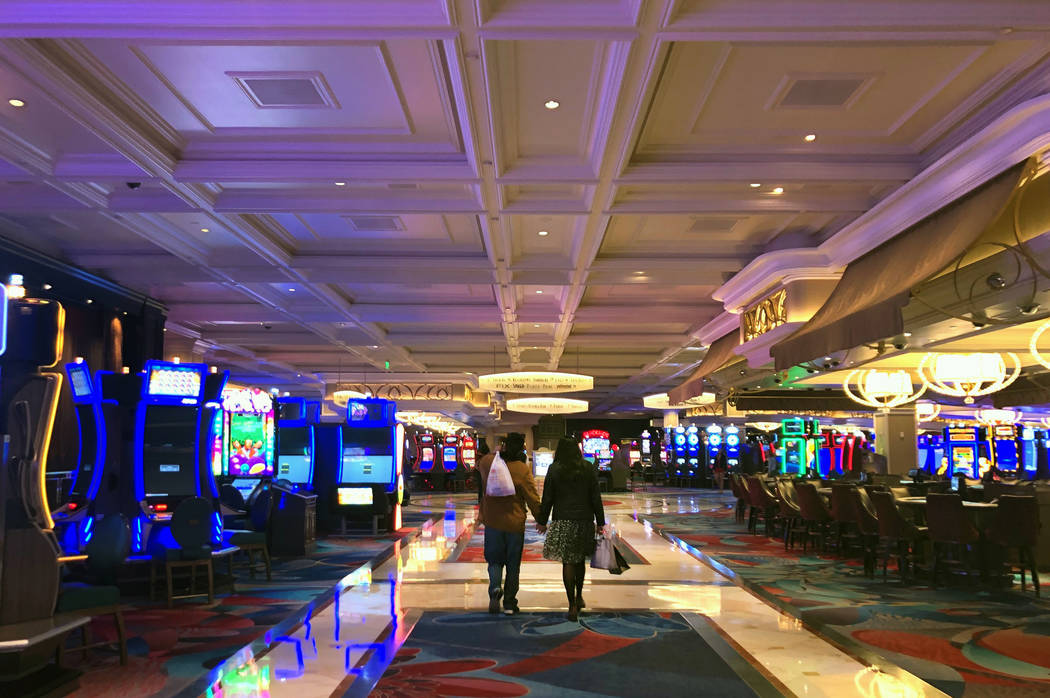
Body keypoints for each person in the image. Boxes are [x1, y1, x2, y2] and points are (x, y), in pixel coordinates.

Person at [537, 437, 606, 621]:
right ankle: (580, 595)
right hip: (584, 520)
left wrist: (542, 520)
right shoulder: (587, 467)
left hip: (563, 519)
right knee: (579, 559)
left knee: (568, 561)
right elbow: (595, 496)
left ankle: (571, 604)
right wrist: (600, 522)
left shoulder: (554, 468)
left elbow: (548, 497)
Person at [477, 433, 541, 616]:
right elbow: (532, 497)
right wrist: (540, 518)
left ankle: (495, 588)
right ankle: (510, 603)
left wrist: (498, 451)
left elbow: (482, 462)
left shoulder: (489, 463)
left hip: (492, 521)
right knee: (513, 565)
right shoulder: (522, 469)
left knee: (494, 561)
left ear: (504, 446)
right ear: (521, 449)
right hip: (514, 523)